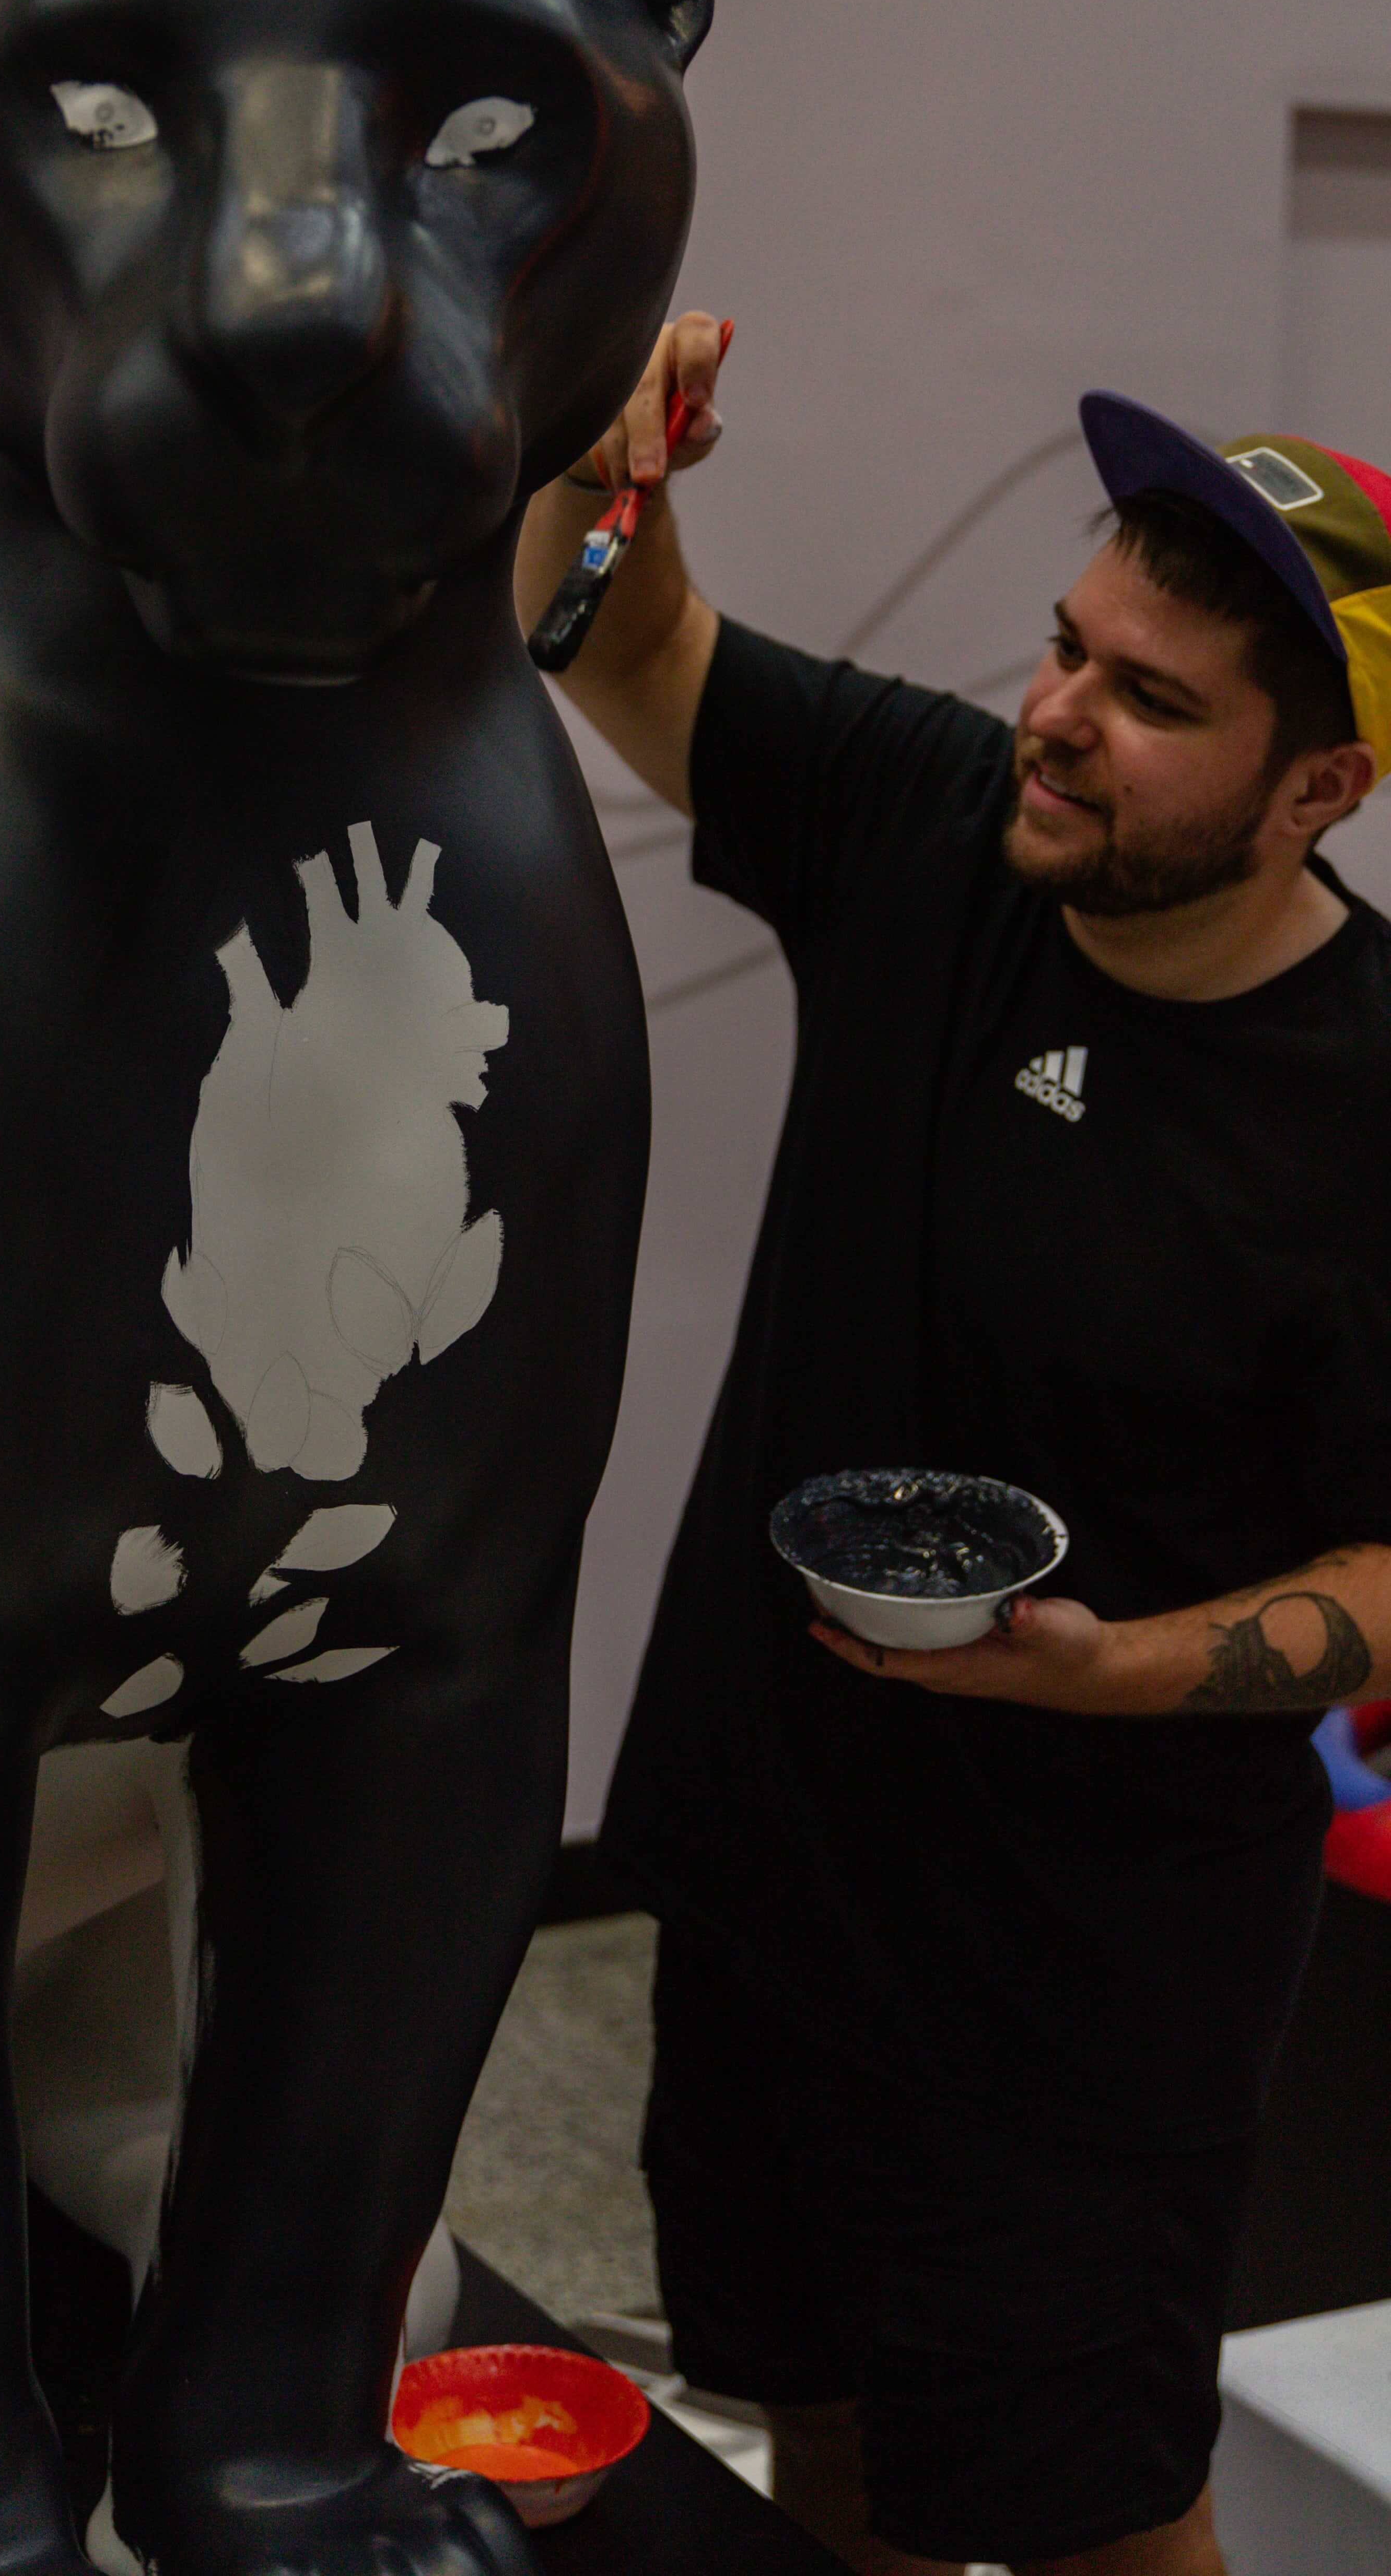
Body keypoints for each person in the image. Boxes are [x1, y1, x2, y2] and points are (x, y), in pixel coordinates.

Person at [516, 322, 1391, 2576]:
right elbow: (604, 627)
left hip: (1080, 1996)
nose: (1058, 718)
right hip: (765, 1873)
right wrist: (605, 445)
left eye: (1152, 704)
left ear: (1317, 789)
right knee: (831, 2461)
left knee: (1098, 2521)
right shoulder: (938, 829)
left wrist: (1116, 1675)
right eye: (1065, 649)